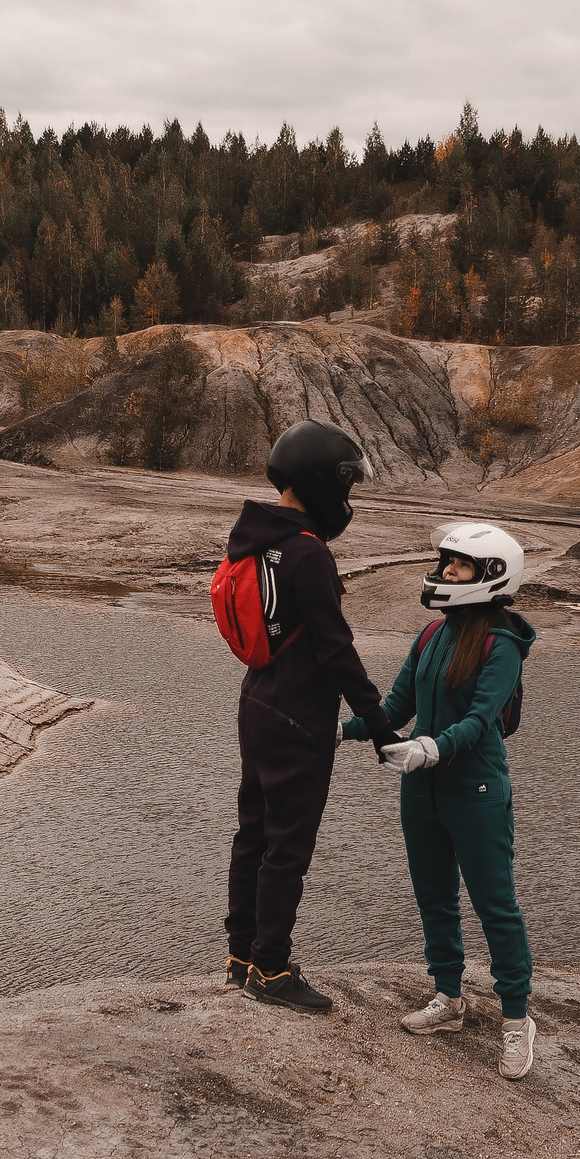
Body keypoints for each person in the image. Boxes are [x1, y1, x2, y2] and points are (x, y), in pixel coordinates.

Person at [344, 522, 540, 1078]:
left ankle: (516, 1020)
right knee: (435, 898)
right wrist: (341, 731)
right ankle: (449, 1000)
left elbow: (481, 722)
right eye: (446, 562)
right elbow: (396, 704)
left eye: (458, 565)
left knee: (494, 904)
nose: (446, 572)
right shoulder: (432, 635)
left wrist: (431, 749)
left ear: (492, 576)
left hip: (475, 790)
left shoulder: (501, 646)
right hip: (422, 790)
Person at [222, 419, 392, 1015]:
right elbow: (335, 648)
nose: (346, 500)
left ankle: (240, 957)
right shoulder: (307, 552)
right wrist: (379, 722)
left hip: (257, 704)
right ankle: (272, 967)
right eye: (344, 485)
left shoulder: (253, 539)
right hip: (298, 716)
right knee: (287, 849)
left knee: (253, 836)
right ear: (320, 479)